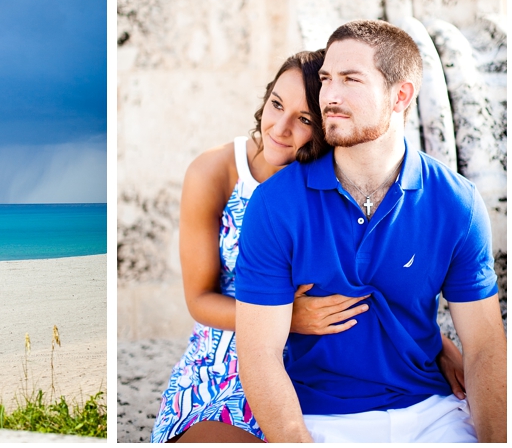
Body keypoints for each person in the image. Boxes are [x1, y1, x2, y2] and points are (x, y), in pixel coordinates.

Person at [151, 51, 465, 443]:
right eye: (276, 104)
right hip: (228, 352)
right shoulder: (214, 172)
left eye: (303, 119)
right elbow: (198, 298)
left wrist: (436, 346)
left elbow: (377, 279)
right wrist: (286, 318)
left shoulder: (337, 179)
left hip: (316, 366)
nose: (280, 128)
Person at [235, 19, 506, 443]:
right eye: (326, 80)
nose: (331, 96)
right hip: (321, 418)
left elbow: (486, 347)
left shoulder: (456, 202)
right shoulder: (275, 205)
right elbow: (258, 353)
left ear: (400, 96)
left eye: (351, 79)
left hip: (433, 412)